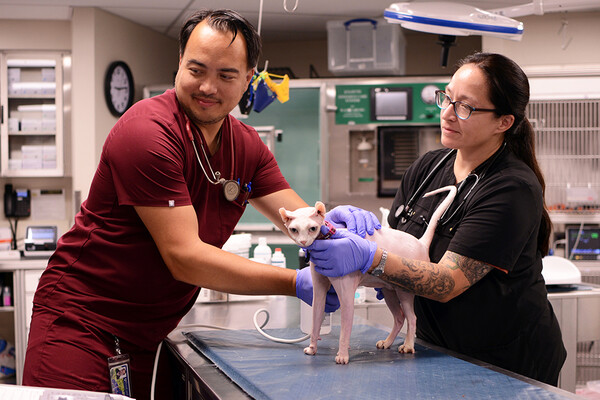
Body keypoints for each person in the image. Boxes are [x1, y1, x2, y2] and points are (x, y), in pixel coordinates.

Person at [22, 9, 378, 399]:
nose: (208, 86)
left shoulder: (247, 147)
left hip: (147, 335)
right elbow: (185, 257)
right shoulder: (147, 132)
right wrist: (295, 282)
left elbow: (300, 219)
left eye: (226, 75)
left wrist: (337, 232)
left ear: (248, 80)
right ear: (179, 65)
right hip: (80, 324)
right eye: (196, 70)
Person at [307, 52, 567, 386]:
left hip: (504, 363)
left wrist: (369, 258)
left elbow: (447, 283)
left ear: (504, 122)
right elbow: (397, 246)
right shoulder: (428, 167)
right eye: (446, 98)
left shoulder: (511, 188)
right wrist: (347, 238)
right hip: (435, 350)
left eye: (466, 107)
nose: (446, 113)